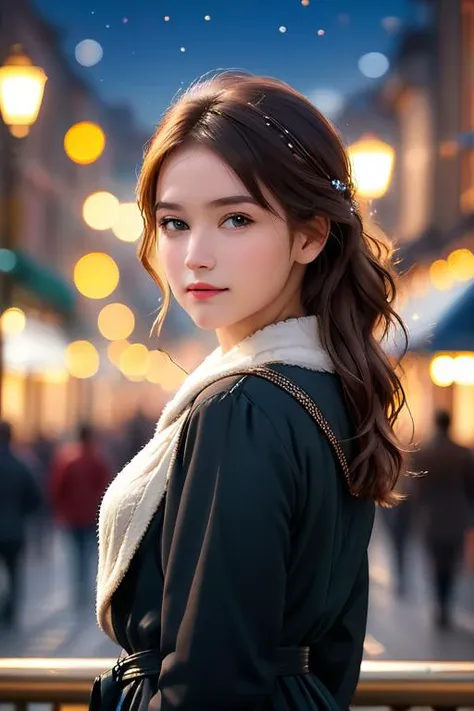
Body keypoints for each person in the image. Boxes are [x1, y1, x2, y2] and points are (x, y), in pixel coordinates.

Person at [92, 72, 407, 711]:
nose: (195, 256)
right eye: (174, 223)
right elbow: (335, 654)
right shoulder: (328, 390)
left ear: (310, 235)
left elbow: (210, 681)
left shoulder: (242, 408)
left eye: (236, 219)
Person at [411, 410, 474, 629]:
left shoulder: (425, 453)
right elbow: (470, 488)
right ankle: (446, 602)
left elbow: (418, 488)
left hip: (432, 516)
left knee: (437, 561)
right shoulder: (463, 453)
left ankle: (440, 603)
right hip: (457, 515)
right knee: (452, 561)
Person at [50, 423, 111, 609]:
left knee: (76, 555)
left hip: (72, 517)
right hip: (92, 515)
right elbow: (107, 488)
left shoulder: (67, 460)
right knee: (90, 554)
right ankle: (87, 589)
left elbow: (57, 489)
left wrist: (60, 510)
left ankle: (79, 589)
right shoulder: (99, 459)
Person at [0, 420, 42, 627]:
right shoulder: (20, 465)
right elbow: (34, 499)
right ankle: (10, 612)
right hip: (14, 530)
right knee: (14, 573)